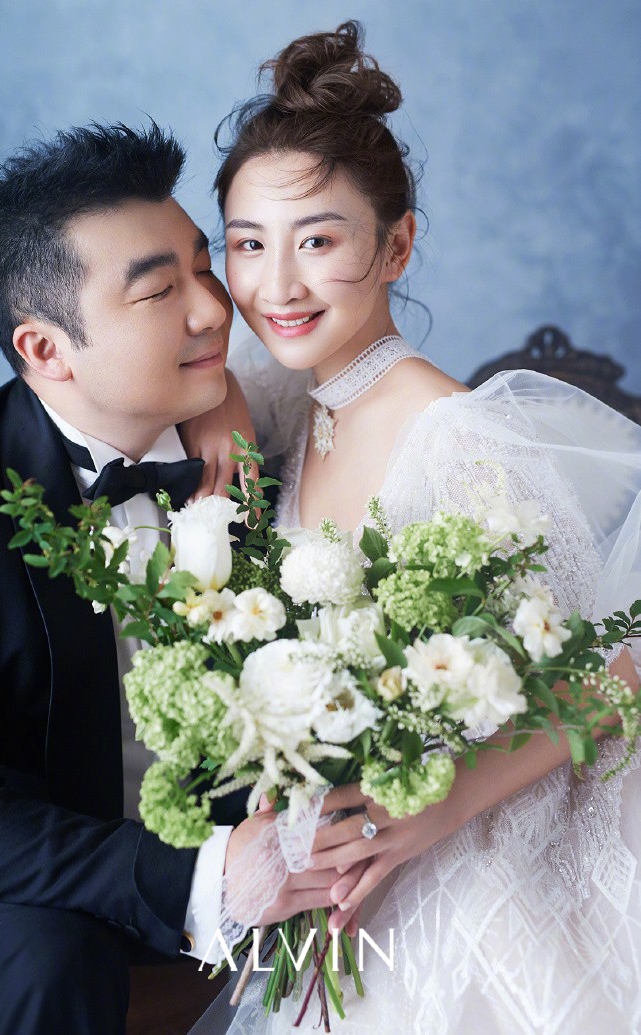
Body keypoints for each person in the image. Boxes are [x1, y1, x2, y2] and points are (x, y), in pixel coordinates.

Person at [208, 21, 641, 1033]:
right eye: (248, 244)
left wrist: (433, 811)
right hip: (340, 852)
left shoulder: (461, 440)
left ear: (396, 245)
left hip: (472, 837)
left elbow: (617, 671)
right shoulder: (284, 404)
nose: (278, 285)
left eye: (319, 241)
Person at [0, 121, 365, 1035]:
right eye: (158, 290)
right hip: (40, 885)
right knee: (46, 957)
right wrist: (200, 876)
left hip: (274, 848)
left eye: (204, 267)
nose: (214, 310)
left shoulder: (256, 423)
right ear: (45, 349)